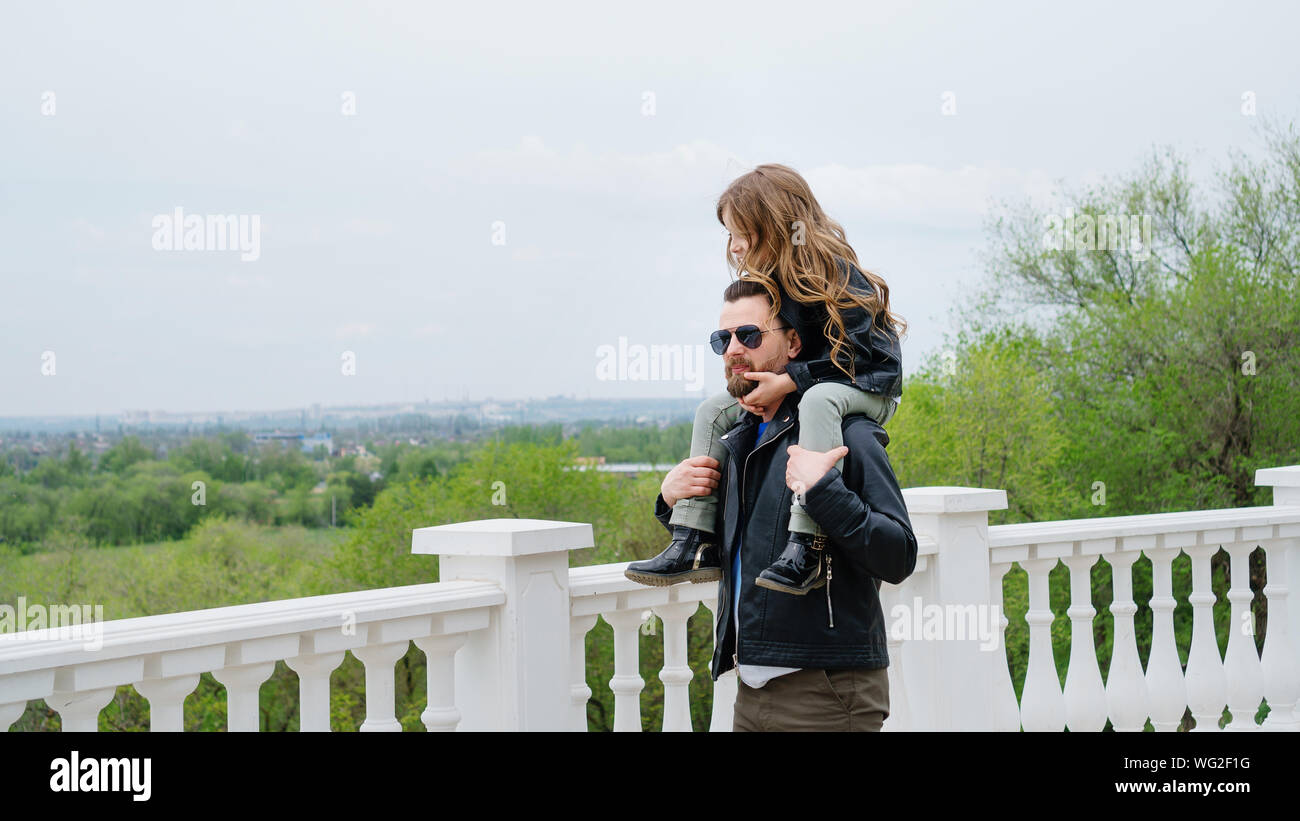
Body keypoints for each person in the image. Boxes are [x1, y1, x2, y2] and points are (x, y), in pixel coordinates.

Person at [633, 278, 919, 730]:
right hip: (749, 688)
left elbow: (898, 554)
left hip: (826, 688)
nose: (732, 349)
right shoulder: (737, 438)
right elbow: (748, 545)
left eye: (749, 335)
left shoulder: (848, 433)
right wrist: (671, 501)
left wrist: (824, 490)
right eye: (721, 339)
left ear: (793, 344)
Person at [624, 163, 906, 595]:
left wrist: (790, 382)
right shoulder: (775, 283)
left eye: (742, 234)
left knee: (817, 402)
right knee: (713, 410)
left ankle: (807, 544)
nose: (735, 248)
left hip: (868, 385)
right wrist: (669, 500)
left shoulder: (833, 275)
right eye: (730, 236)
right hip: (815, 385)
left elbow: (859, 356)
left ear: (774, 227)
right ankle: (693, 539)